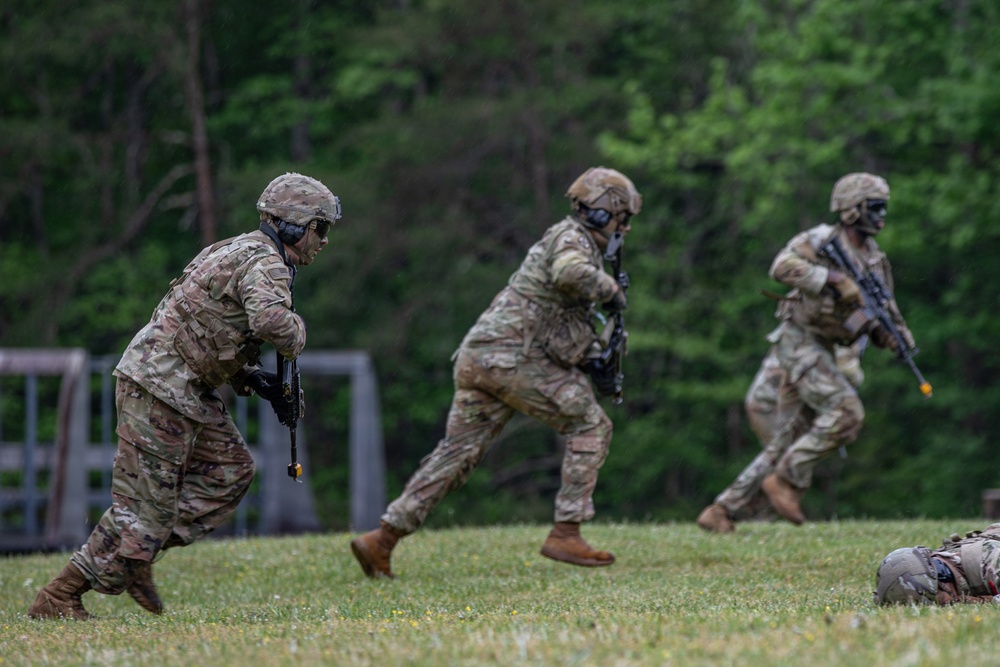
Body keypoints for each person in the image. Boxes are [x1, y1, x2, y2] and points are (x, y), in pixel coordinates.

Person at [28, 172, 342, 620]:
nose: (324, 241)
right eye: (320, 228)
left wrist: (255, 379)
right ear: (293, 226)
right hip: (161, 388)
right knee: (145, 507)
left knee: (229, 472)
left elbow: (206, 326)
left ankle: (137, 552)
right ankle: (60, 596)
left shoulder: (234, 249)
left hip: (179, 387)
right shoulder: (267, 263)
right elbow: (272, 322)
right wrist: (299, 331)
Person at [350, 166, 640, 578]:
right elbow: (568, 272)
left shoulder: (569, 240)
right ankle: (567, 531)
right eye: (621, 218)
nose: (624, 229)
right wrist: (611, 291)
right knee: (591, 425)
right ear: (601, 213)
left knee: (456, 455)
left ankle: (382, 539)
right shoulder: (571, 239)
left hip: (483, 360)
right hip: (512, 360)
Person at [700, 172, 917, 530]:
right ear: (852, 209)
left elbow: (880, 312)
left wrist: (890, 336)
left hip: (826, 348)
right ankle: (786, 481)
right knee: (847, 412)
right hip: (799, 340)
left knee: (789, 437)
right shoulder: (821, 241)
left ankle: (722, 510)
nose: (882, 216)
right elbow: (780, 267)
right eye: (875, 207)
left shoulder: (875, 261)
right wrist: (833, 279)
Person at [696, 339, 865, 532]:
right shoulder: (843, 332)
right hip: (773, 401)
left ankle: (732, 514)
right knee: (785, 467)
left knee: (785, 466)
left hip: (772, 397)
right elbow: (847, 371)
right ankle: (728, 512)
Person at [874, 524, 1000, 605]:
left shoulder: (991, 565)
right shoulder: (937, 564)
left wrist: (987, 601)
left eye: (939, 600)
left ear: (943, 582)